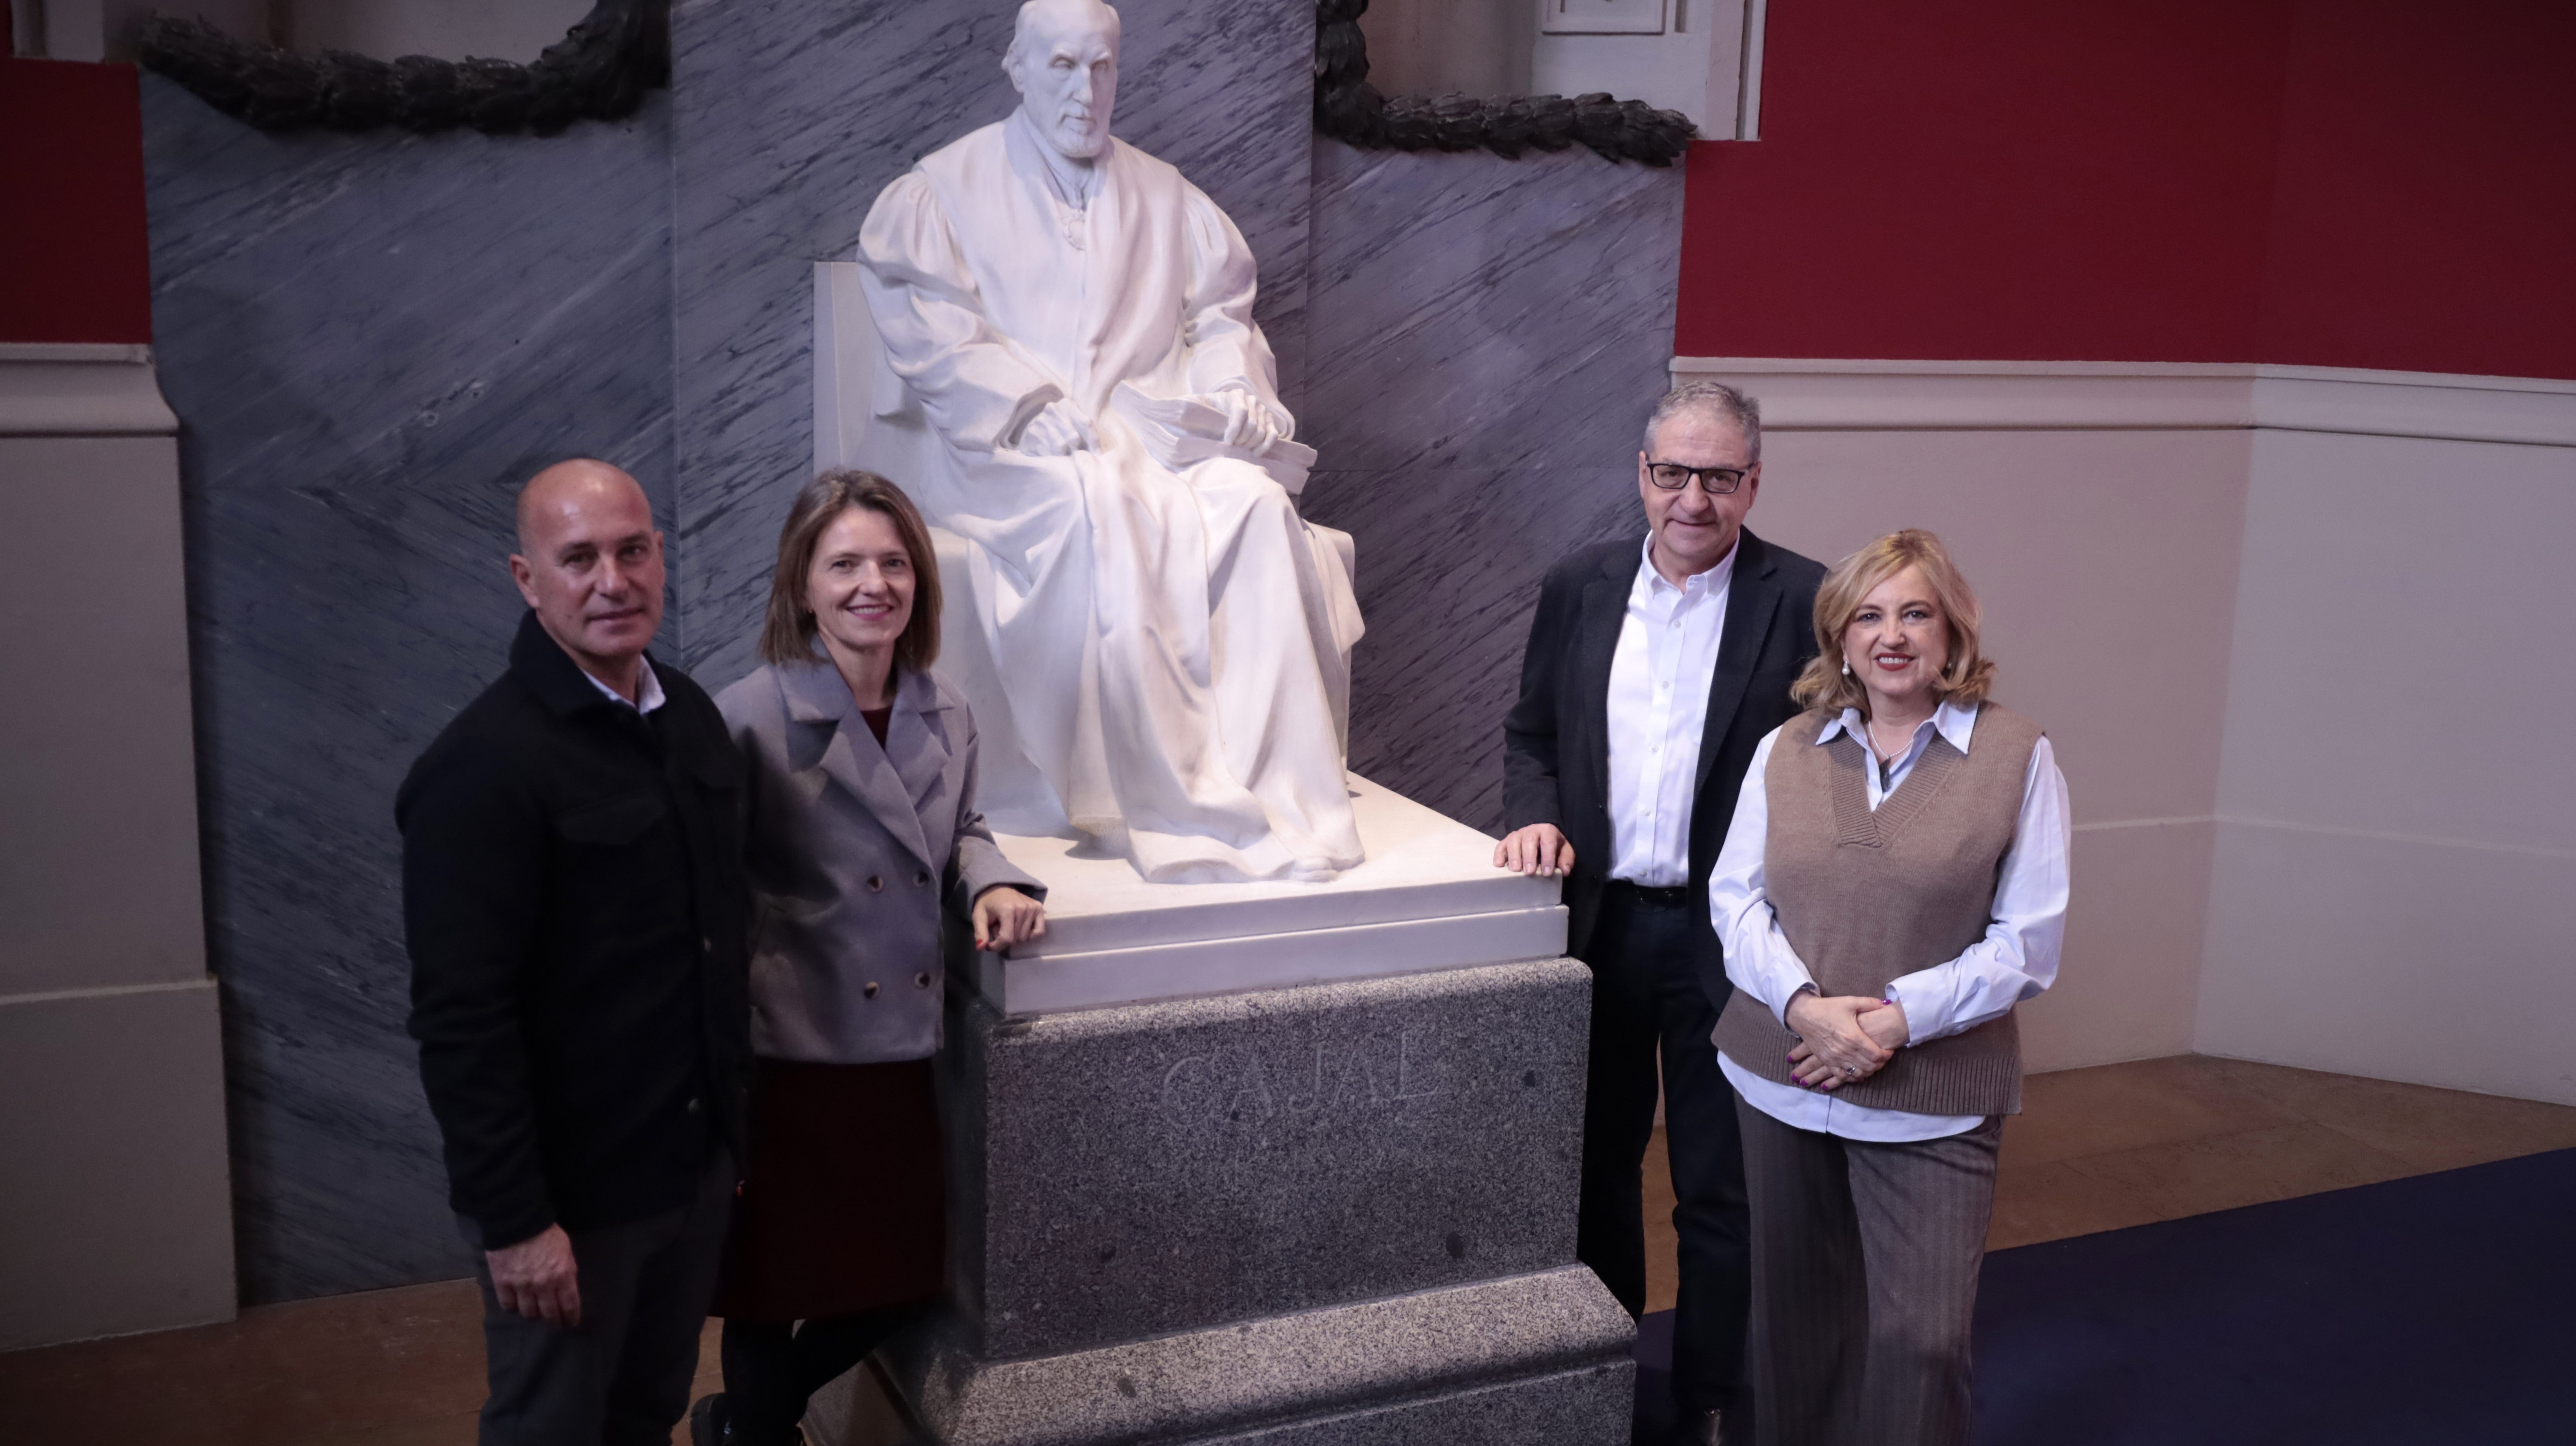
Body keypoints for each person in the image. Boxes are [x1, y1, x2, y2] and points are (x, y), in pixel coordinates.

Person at [851, 0, 1366, 883]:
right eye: (1062, 66)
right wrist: (1020, 400)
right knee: (1091, 502)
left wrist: (1233, 389)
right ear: (1018, 69)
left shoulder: (1169, 196)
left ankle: (1277, 789)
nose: (1084, 91)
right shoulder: (944, 190)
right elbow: (929, 320)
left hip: (1150, 437)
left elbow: (1219, 318)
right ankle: (1142, 794)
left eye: (1101, 67)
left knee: (1252, 503)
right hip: (1001, 447)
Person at [689, 471, 1048, 1446]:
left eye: (893, 563)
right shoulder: (747, 718)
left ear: (918, 580)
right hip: (789, 1052)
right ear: (802, 583)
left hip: (898, 1052)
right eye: (844, 563)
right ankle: (757, 1432)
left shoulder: (946, 710)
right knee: (771, 1287)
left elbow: (964, 827)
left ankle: (737, 1423)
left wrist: (992, 882)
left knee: (901, 1282)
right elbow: (702, 895)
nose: (872, 584)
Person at [1497, 381, 1825, 1446]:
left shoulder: (1807, 599)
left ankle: (1710, 1402)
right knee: (1596, 1171)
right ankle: (1601, 1387)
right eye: (1674, 472)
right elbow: (1533, 734)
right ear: (1642, 475)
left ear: (1754, 482)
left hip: (1732, 939)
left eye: (1719, 476)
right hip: (1599, 926)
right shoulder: (1580, 586)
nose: (1694, 498)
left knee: (1719, 1185)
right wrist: (1535, 813)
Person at [399, 459, 751, 1446]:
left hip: (688, 1173)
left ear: (661, 556)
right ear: (528, 578)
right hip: (573, 1201)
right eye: (580, 558)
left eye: (633, 551)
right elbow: (461, 1020)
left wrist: (732, 1144)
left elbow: (717, 942)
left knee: (647, 1411)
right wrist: (516, 1222)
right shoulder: (481, 767)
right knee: (551, 1426)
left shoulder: (689, 715)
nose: (613, 581)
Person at [1708, 529, 2071, 1446]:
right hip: (1781, 1076)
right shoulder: (1785, 748)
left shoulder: (2018, 755)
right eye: (1868, 616)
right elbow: (1734, 900)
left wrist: (1894, 1022)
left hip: (1929, 1094)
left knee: (1922, 1343)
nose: (1892, 635)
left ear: (1953, 631)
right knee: (1797, 1333)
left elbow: (2027, 942)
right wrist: (1803, 1009)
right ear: (1840, 636)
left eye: (1916, 613)